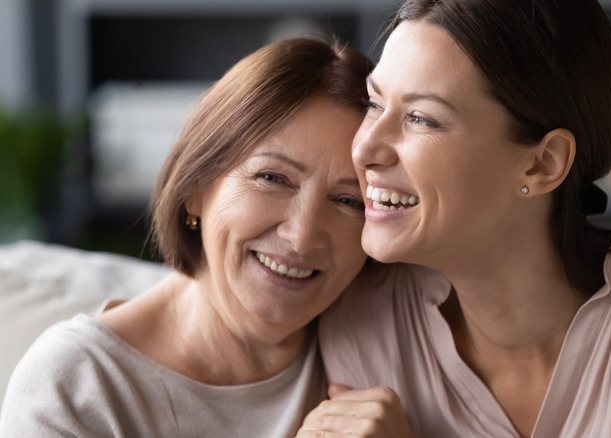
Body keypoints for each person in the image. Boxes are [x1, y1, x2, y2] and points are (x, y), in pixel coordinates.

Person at [302, 0, 611, 436]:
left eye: (422, 119)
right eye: (375, 103)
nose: (363, 149)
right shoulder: (365, 321)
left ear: (543, 163)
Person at [0, 37, 373, 437]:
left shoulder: (387, 345)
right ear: (195, 188)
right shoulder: (74, 387)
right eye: (272, 178)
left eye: (350, 201)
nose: (302, 236)